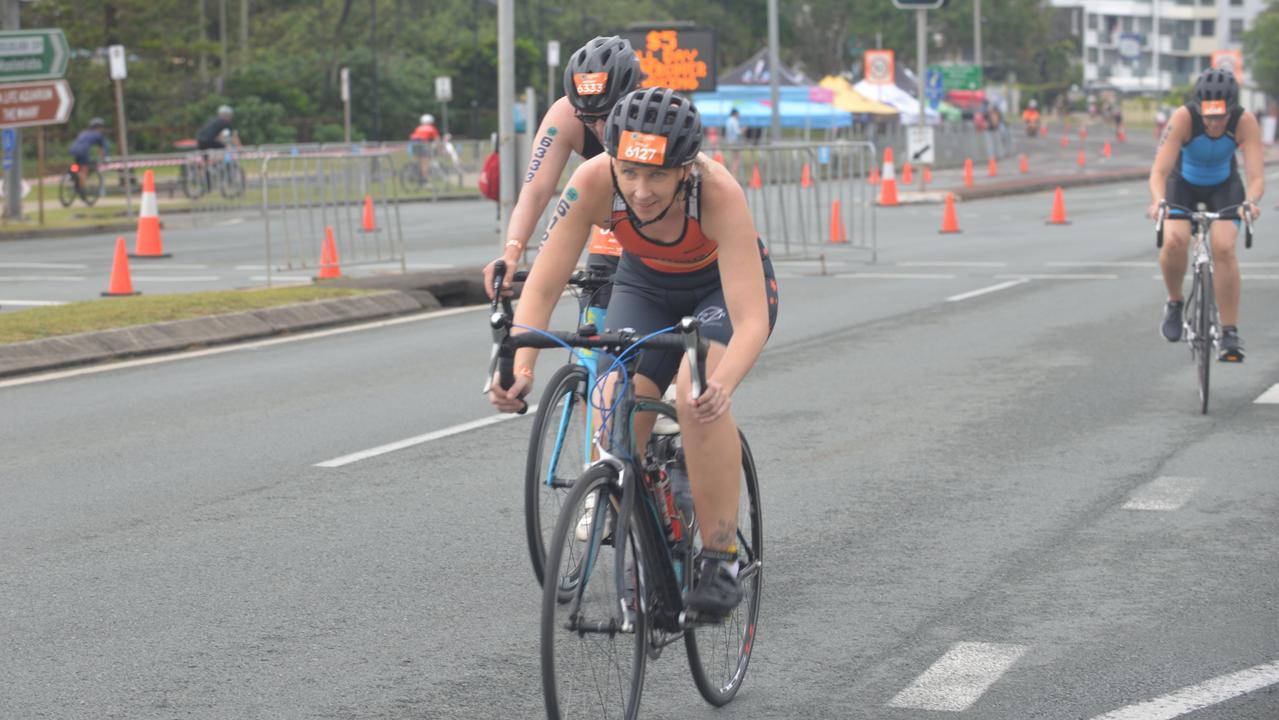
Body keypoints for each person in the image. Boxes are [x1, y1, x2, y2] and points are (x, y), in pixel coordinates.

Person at [488, 87, 780, 618]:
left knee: (695, 392)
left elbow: (752, 320)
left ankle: (721, 558)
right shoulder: (594, 180)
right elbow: (547, 281)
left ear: (685, 170)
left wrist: (723, 384)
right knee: (611, 406)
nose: (641, 191)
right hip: (645, 286)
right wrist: (522, 366)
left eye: (658, 176)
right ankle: (655, 542)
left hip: (719, 291)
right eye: (630, 173)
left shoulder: (718, 192)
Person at [482, 35, 642, 311]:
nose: (601, 129)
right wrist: (512, 252)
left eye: (610, 114)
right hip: (613, 224)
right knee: (597, 327)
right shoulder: (565, 114)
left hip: (666, 228)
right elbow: (535, 191)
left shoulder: (654, 114)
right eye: (590, 119)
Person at [1147, 68, 1264, 361]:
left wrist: (1250, 202)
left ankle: (1229, 332)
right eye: (1208, 115)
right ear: (1199, 109)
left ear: (1232, 110)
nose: (1213, 122)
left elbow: (1256, 176)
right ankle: (1174, 302)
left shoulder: (1244, 121)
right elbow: (1159, 171)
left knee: (1224, 247)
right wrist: (1158, 200)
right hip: (1182, 184)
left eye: (1220, 116)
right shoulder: (1183, 119)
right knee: (1174, 240)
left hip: (1223, 186)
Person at [68, 117, 109, 188]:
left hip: (73, 149)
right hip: (83, 150)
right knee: (84, 169)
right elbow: (102, 149)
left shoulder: (83, 132)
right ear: (99, 127)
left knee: (77, 164)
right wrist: (103, 159)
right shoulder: (98, 135)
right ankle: (81, 189)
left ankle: (72, 173)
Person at [409, 113, 441, 181]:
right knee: (425, 161)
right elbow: (437, 140)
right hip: (421, 144)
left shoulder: (418, 128)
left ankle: (416, 171)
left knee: (420, 160)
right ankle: (424, 179)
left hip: (413, 144)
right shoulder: (432, 128)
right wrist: (439, 148)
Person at [724, 108, 743, 174]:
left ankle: (731, 173)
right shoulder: (734, 121)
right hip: (735, 142)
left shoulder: (728, 121)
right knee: (736, 159)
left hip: (730, 141)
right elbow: (737, 132)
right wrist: (743, 130)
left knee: (732, 158)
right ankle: (733, 174)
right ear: (735, 113)